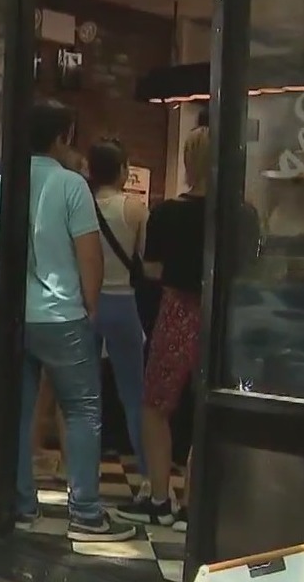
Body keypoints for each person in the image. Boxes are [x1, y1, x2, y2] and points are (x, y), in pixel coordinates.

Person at [0, 100, 135, 542]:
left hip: (10, 314)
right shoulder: (71, 186)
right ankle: (85, 511)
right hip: (62, 313)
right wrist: (91, 306)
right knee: (82, 408)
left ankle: (21, 504)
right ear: (62, 137)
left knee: (19, 411)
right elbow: (89, 254)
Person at [117, 126, 211, 532]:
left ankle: (159, 498)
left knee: (156, 406)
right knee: (210, 410)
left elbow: (152, 269)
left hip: (176, 310)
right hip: (219, 312)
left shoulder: (166, 213)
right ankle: (195, 502)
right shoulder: (239, 212)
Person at [87, 138, 150, 499]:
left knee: (85, 394)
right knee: (134, 393)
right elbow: (147, 261)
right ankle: (146, 471)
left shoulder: (81, 206)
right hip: (123, 302)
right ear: (123, 170)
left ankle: (84, 473)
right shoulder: (136, 210)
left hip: (89, 301)